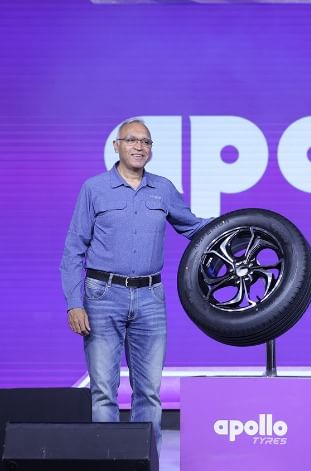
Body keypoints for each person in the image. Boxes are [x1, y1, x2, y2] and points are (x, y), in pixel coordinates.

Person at [60, 118, 210, 452]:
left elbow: (192, 227)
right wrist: (74, 303)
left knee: (149, 393)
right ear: (117, 146)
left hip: (150, 297)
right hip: (102, 296)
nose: (139, 147)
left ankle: (146, 461)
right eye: (132, 140)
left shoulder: (163, 189)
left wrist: (239, 223)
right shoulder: (94, 189)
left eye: (146, 142)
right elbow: (73, 250)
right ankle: (107, 461)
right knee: (103, 391)